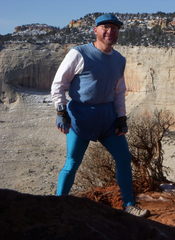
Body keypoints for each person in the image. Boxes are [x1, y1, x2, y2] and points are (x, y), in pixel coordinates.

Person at [51, 13, 149, 217]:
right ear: (95, 30)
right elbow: (59, 84)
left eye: (114, 28)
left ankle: (129, 205)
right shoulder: (78, 53)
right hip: (80, 116)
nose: (110, 31)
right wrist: (61, 110)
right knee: (72, 163)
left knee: (123, 158)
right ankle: (58, 206)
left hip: (107, 117)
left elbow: (119, 91)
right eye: (105, 27)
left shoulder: (119, 59)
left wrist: (121, 117)